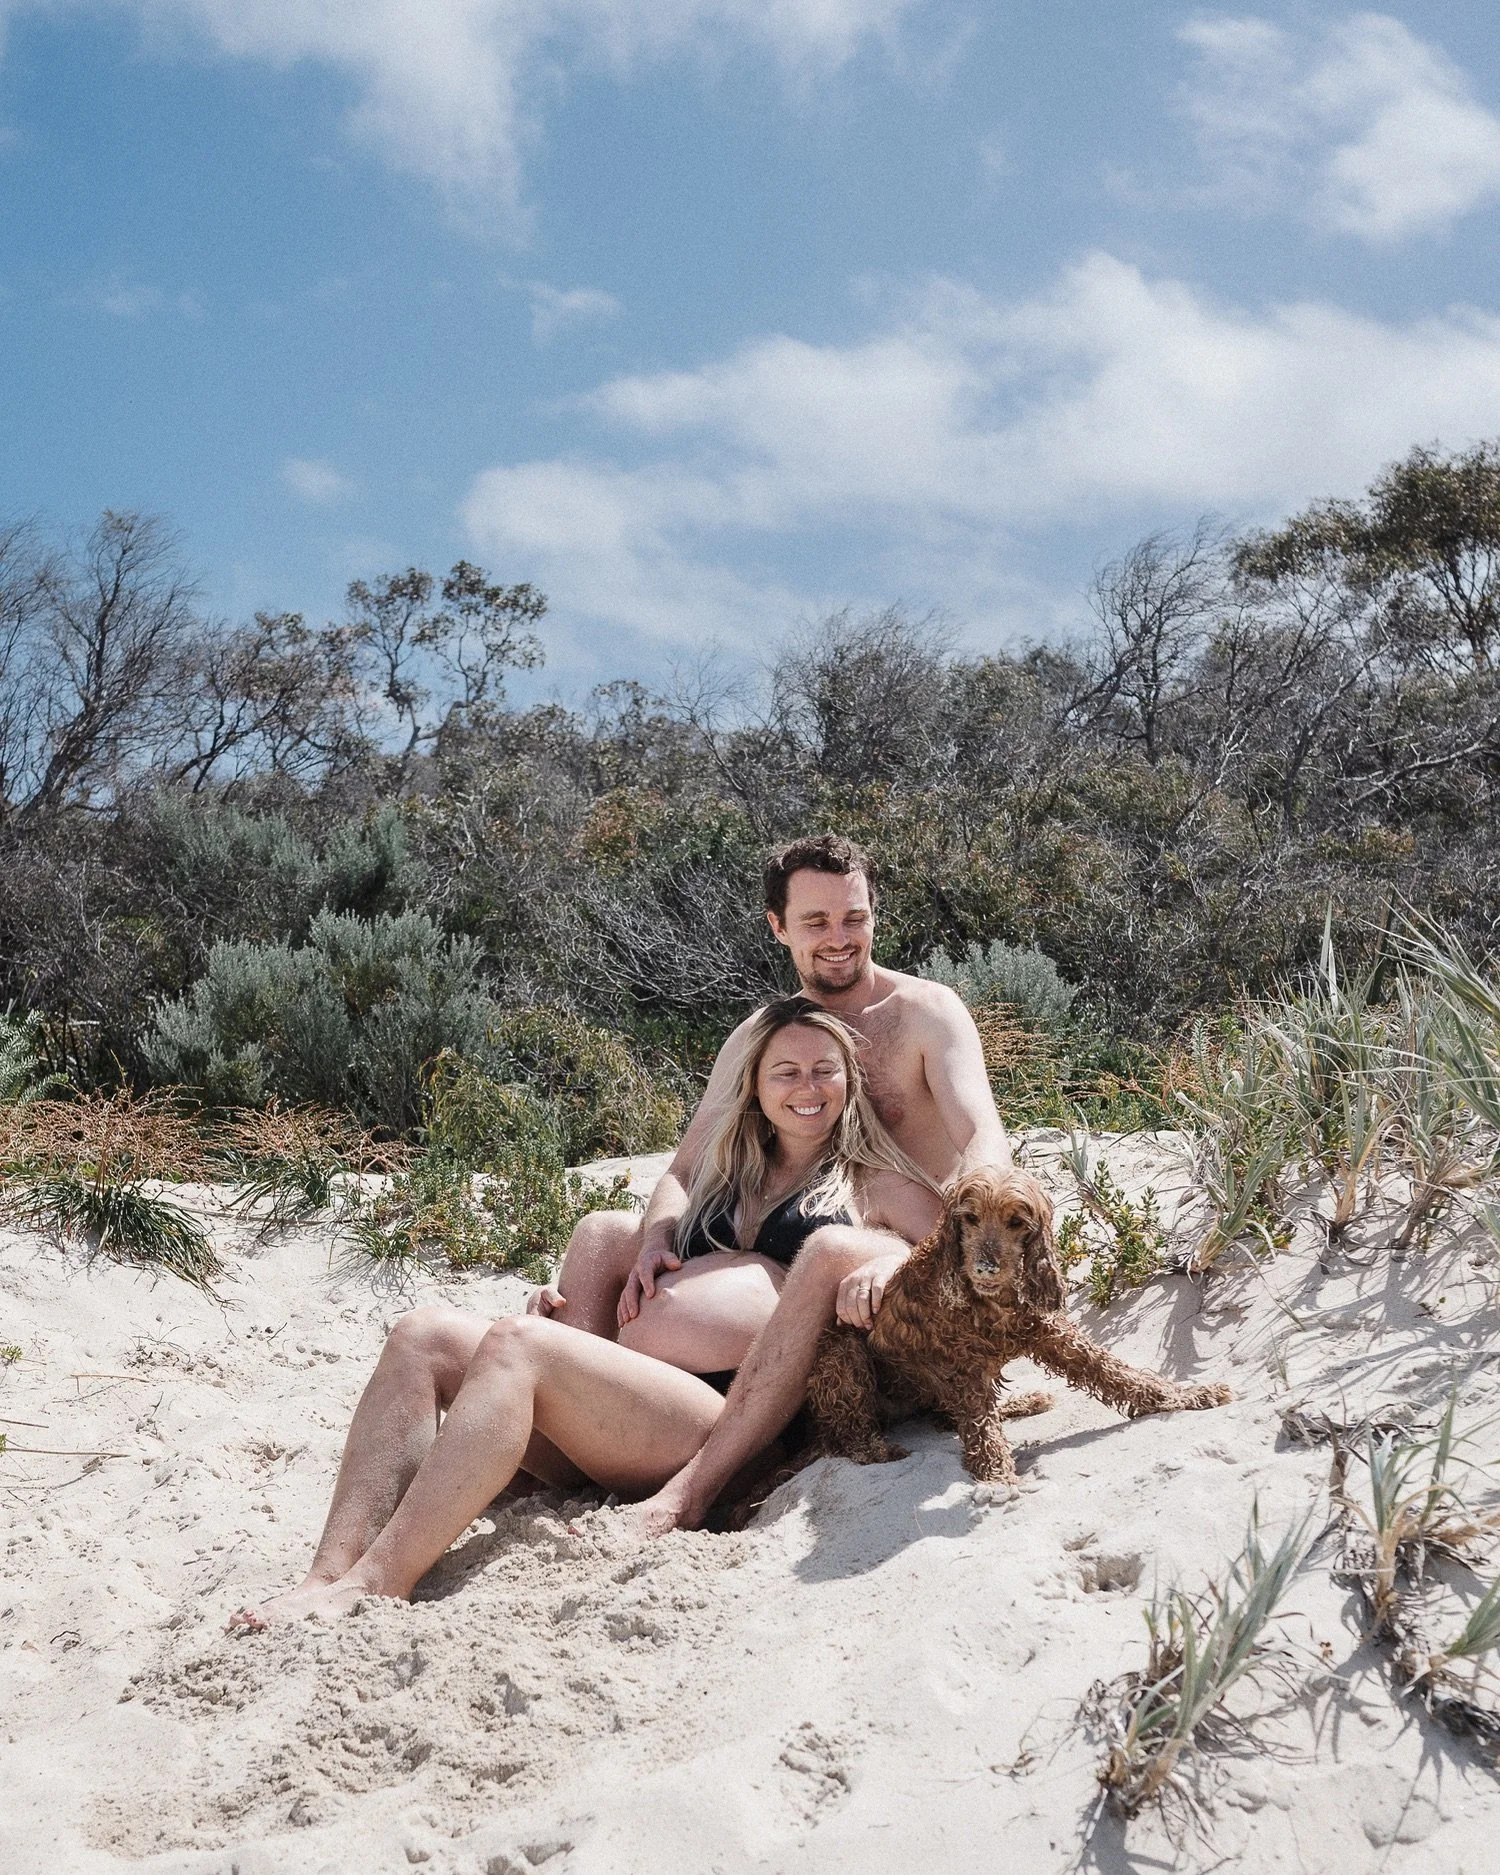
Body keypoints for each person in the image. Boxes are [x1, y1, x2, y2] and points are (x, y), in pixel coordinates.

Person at [229, 997, 939, 1626]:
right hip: (631, 1408)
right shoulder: (727, 1176)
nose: (808, 1087)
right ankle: (327, 1573)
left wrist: (888, 1259)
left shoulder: (867, 1179)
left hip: (727, 1426)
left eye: (826, 1070)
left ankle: (378, 1582)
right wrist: (584, 1309)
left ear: (849, 1081)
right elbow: (657, 1206)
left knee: (516, 1344)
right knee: (422, 1335)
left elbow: (950, 1246)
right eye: (787, 1071)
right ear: (754, 1085)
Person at [535, 832, 1011, 1538]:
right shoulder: (766, 1034)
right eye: (816, 922)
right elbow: (685, 1170)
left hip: (891, 1266)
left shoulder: (924, 1013)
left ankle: (691, 1483)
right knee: (605, 1236)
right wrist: (656, 1238)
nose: (840, 938)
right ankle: (577, 1450)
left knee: (823, 1252)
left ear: (875, 913)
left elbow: (984, 1140)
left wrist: (916, 1254)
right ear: (779, 927)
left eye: (855, 917)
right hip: (788, 1254)